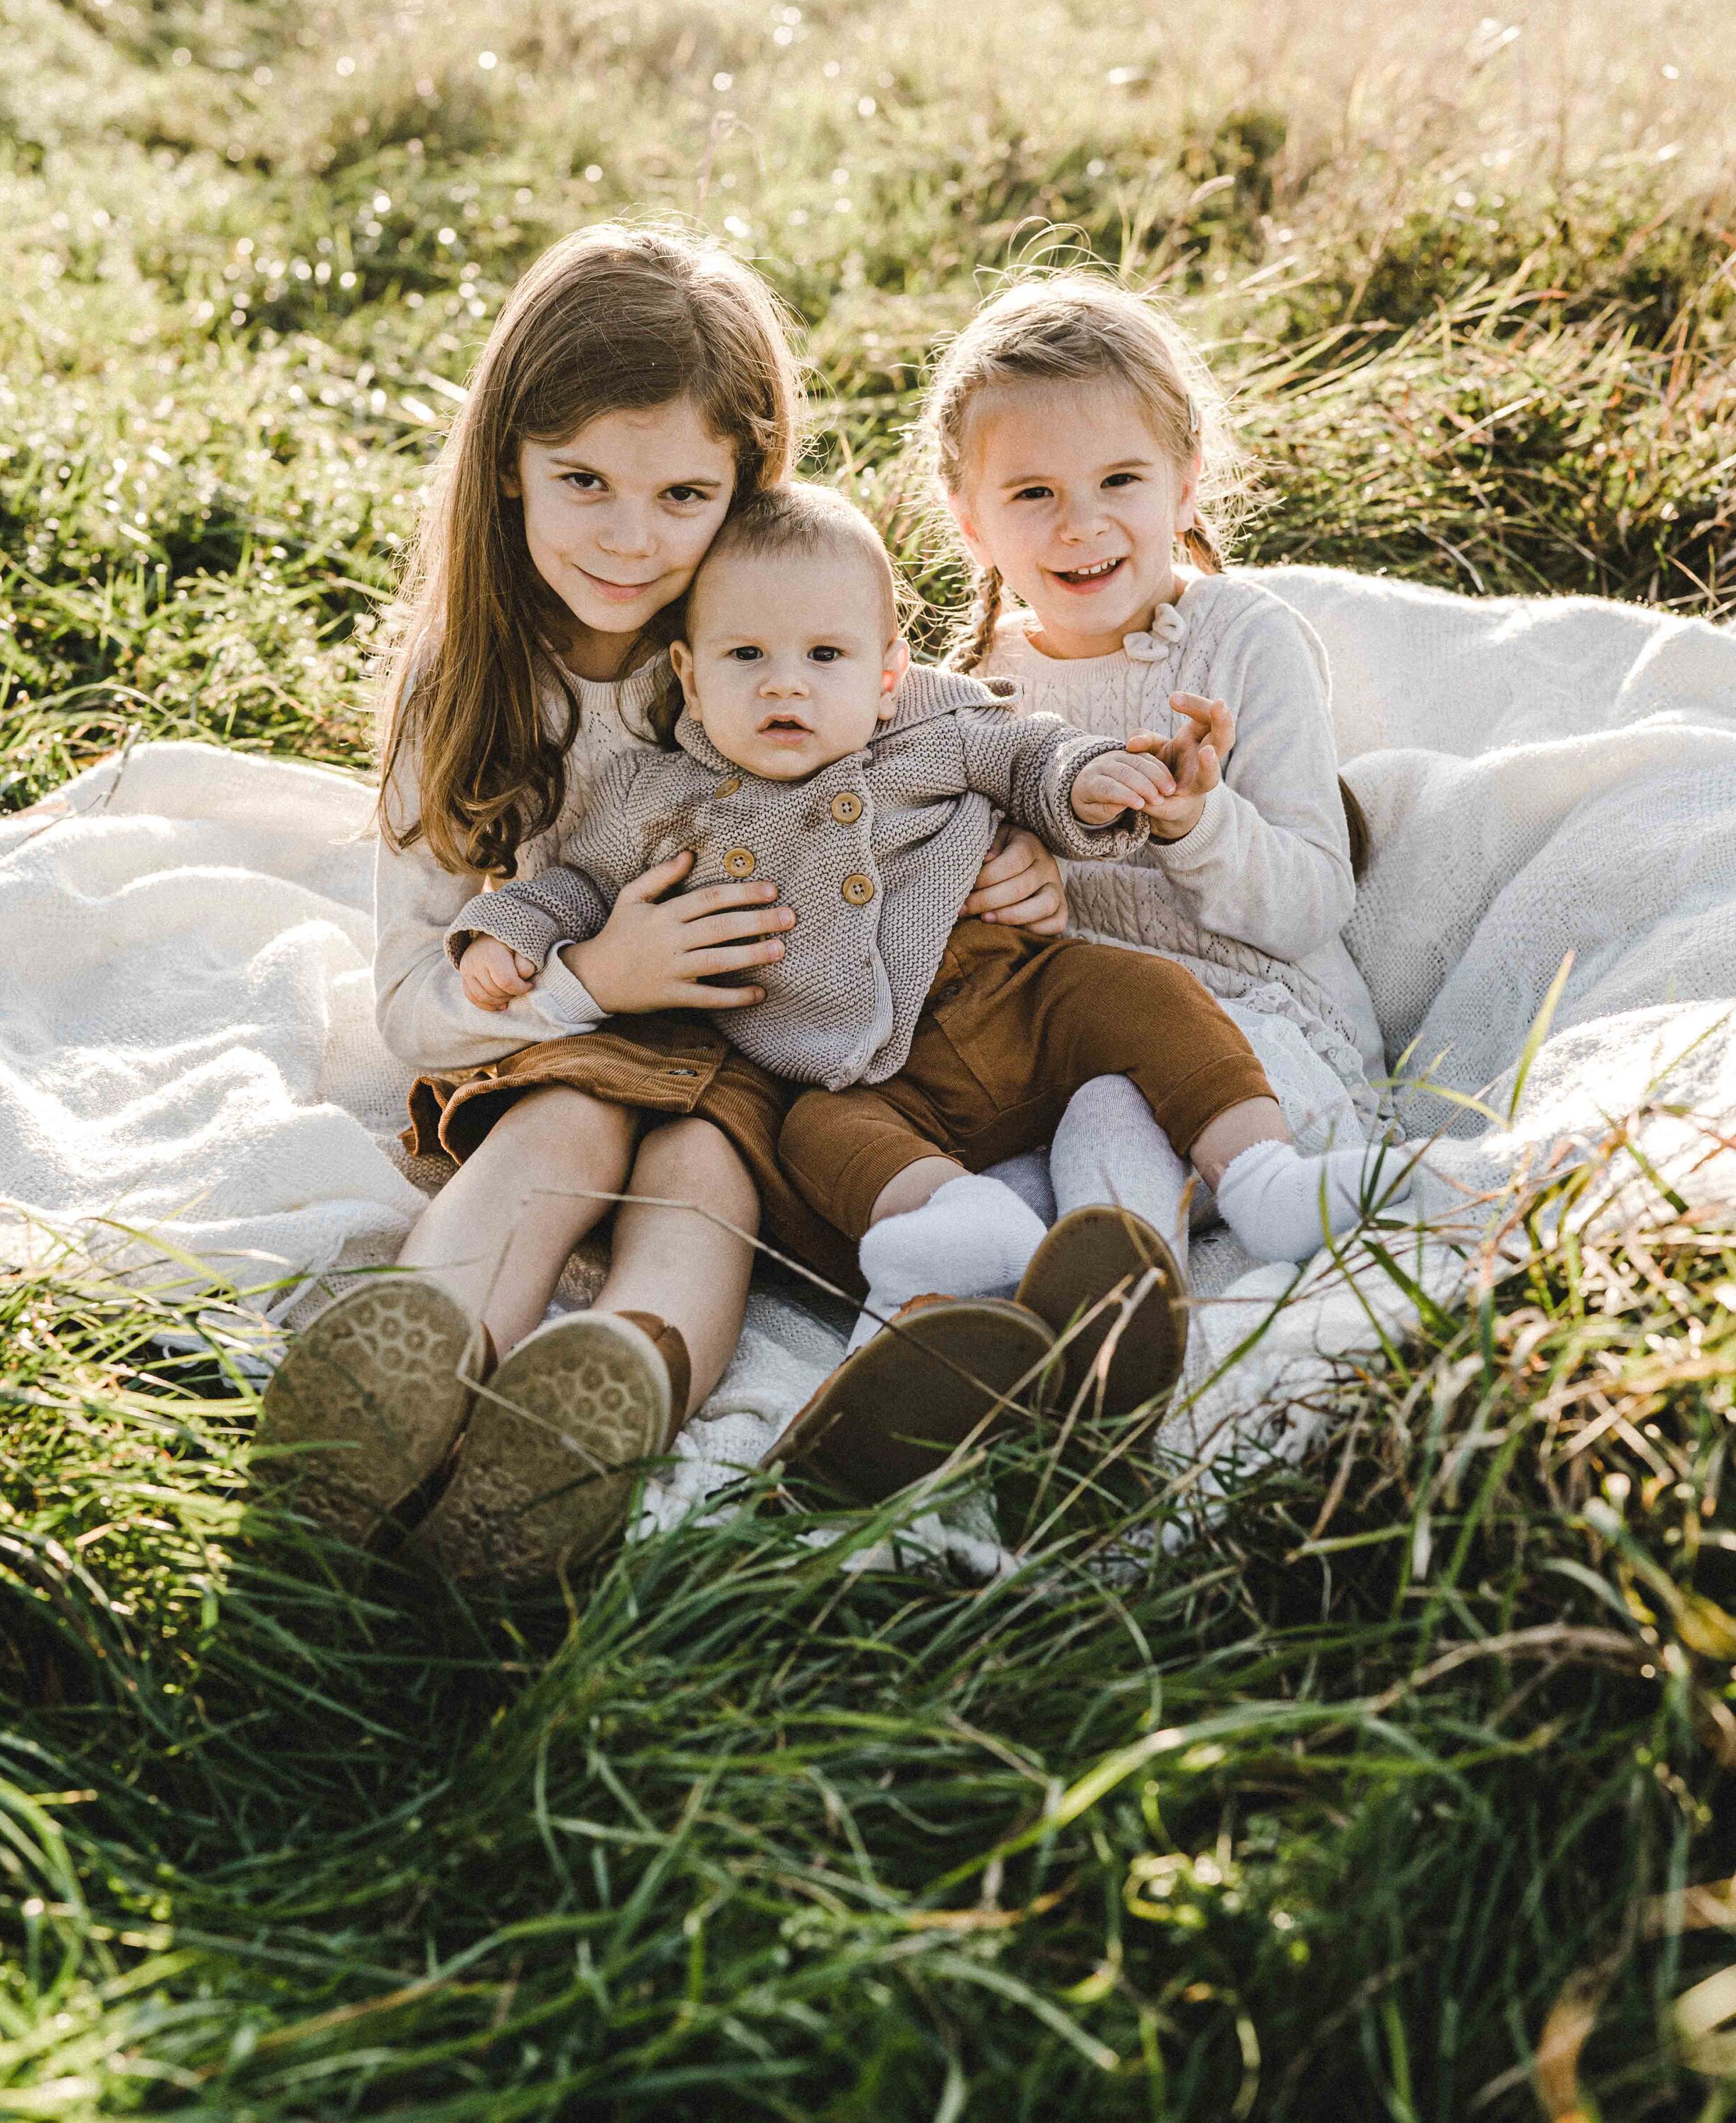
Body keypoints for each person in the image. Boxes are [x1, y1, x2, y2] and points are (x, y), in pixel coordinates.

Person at [258, 223, 1066, 1579]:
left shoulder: (781, 616)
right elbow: (411, 1005)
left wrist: (1012, 852)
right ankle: (401, 1384)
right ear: (506, 468)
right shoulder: (468, 691)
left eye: (685, 495)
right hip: (577, 1024)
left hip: (767, 1057)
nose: (632, 542)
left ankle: (601, 1401)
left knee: (701, 1182)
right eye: (582, 480)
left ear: (750, 480)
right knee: (562, 1133)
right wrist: (591, 984)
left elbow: (951, 736)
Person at [459, 485, 1410, 1500]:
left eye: (824, 657)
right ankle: (961, 1229)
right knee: (814, 1139)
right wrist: (509, 933)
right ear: (689, 676)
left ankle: (1257, 1169)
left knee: (1144, 994)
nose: (786, 686)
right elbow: (570, 881)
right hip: (862, 1075)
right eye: (747, 658)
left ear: (888, 674)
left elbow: (1032, 753)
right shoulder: (658, 799)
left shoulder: (934, 726)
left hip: (1013, 997)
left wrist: (1093, 782)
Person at [921, 264, 1396, 1271]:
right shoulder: (977, 689)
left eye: (1119, 481)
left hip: (1265, 1039)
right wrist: (995, 886)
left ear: (1184, 481)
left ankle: (1137, 1283)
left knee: (1113, 1111)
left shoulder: (1240, 641)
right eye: (1034, 493)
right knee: (1000, 1175)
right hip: (1075, 1044)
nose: (1080, 523)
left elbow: (1315, 899)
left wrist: (1199, 825)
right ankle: (1040, 1312)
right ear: (970, 518)